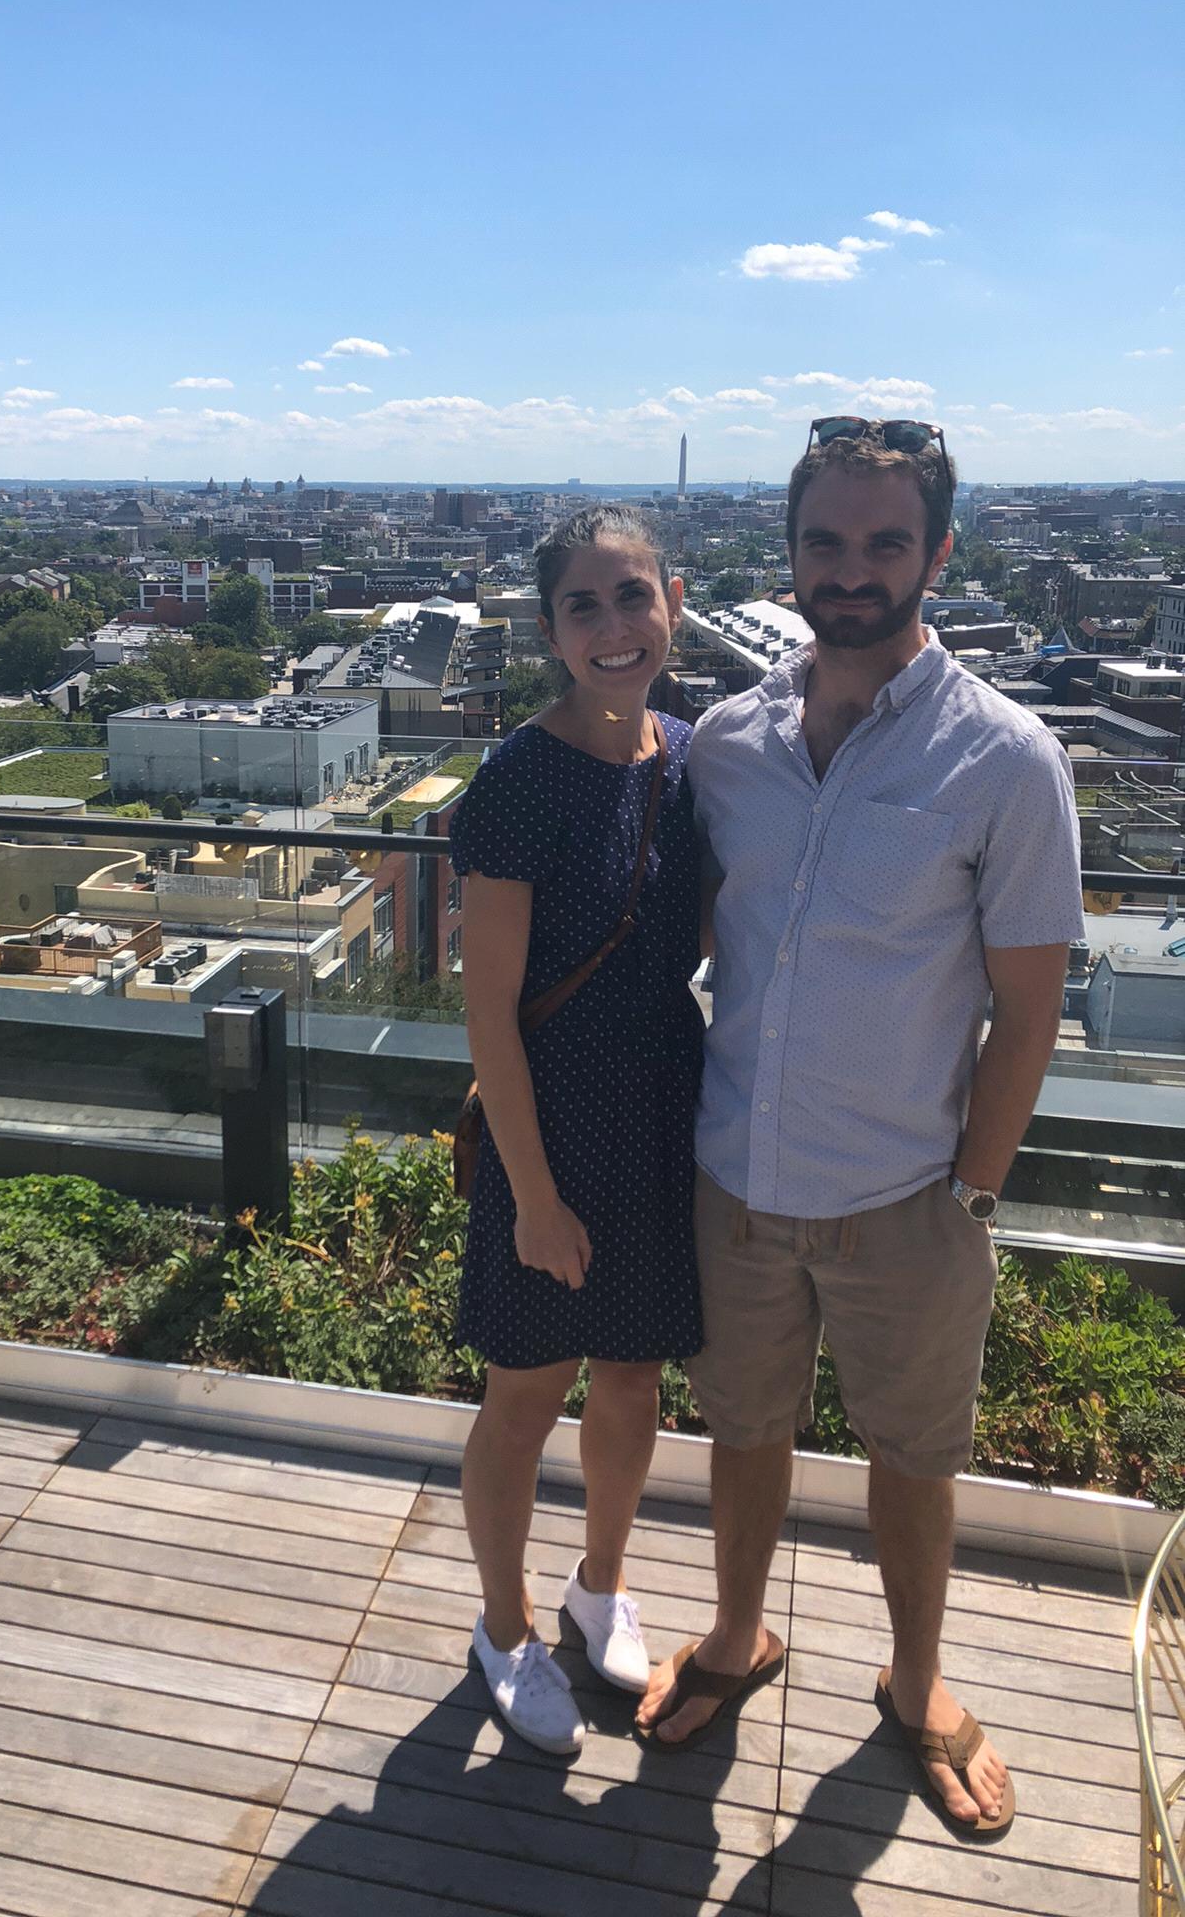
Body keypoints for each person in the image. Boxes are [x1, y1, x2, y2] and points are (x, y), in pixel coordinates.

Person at [637, 418, 1083, 1838]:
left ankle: (917, 1682)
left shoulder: (1007, 762)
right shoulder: (731, 746)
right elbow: (683, 938)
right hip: (735, 1174)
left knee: (915, 1461)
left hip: (908, 1195)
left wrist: (974, 1195)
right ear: (792, 553)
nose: (854, 569)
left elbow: (1028, 1013)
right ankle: (735, 1636)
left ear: (939, 554)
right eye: (826, 540)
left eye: (887, 540)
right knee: (744, 1432)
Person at [451, 503, 705, 1758]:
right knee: (523, 1392)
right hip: (547, 1133)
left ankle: (599, 1582)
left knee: (632, 1372)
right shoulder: (516, 783)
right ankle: (505, 1627)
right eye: (584, 606)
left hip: (662, 1119)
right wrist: (536, 1194)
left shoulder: (692, 759)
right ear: (550, 628)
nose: (614, 628)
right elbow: (488, 1012)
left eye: (633, 597)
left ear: (672, 601)